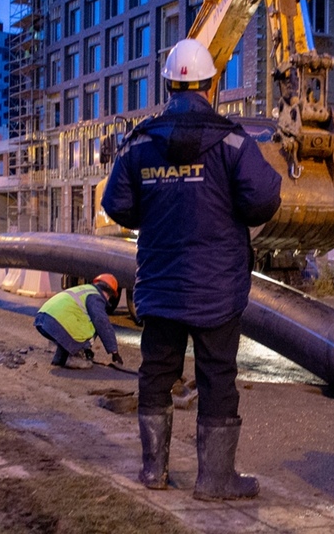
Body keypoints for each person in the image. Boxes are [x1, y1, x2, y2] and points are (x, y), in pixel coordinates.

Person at [101, 38, 282, 501]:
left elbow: (116, 203)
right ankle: (215, 479)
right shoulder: (234, 142)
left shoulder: (139, 141)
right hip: (216, 288)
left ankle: (152, 472)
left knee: (156, 373)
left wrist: (157, 211)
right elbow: (263, 199)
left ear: (167, 85)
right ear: (210, 85)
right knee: (217, 376)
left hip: (161, 284)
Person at [33, 274, 123, 370]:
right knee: (92, 325)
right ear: (108, 293)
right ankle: (73, 356)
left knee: (78, 319)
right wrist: (114, 351)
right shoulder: (96, 297)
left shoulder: (85, 289)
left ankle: (60, 358)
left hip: (43, 319)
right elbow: (102, 323)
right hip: (56, 325)